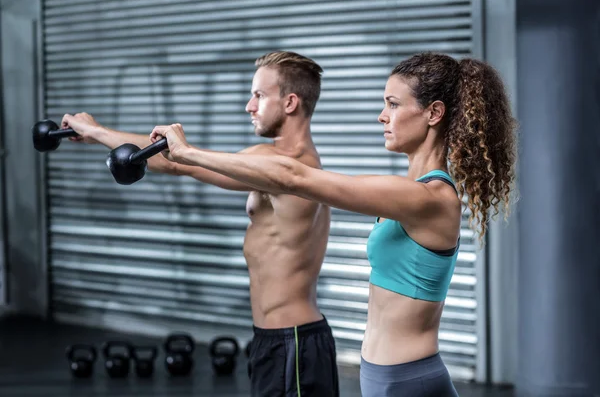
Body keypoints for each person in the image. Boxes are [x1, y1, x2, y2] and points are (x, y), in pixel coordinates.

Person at [149, 51, 518, 396]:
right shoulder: (411, 192)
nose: (382, 115)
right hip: (384, 378)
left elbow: (295, 177)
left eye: (393, 104)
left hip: (409, 381)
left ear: (433, 113)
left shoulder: (430, 198)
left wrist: (189, 152)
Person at [61, 51, 340, 397]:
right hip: (281, 340)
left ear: (290, 102)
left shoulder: (288, 165)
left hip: (292, 342)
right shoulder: (278, 160)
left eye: (259, 95)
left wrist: (98, 131)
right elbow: (174, 160)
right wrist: (98, 136)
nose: (248, 106)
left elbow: (180, 163)